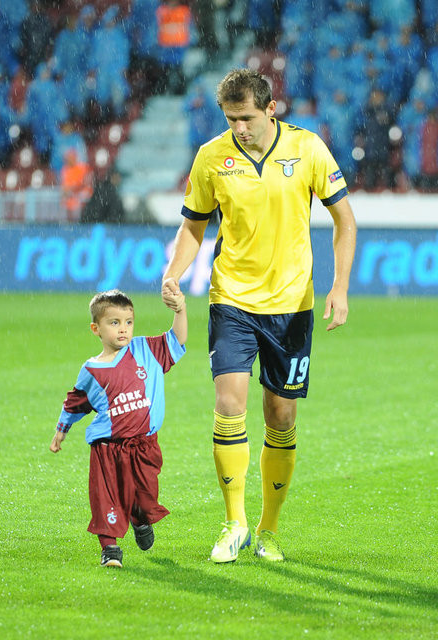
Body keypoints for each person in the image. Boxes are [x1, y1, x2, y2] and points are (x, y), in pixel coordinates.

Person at [161, 69, 356, 564]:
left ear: (271, 109)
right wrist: (175, 272)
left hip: (292, 305)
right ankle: (235, 522)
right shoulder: (211, 157)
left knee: (281, 414)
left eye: (246, 118)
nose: (239, 128)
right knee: (229, 403)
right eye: (231, 119)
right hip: (232, 299)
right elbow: (193, 227)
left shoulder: (308, 149)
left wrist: (339, 286)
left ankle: (269, 529)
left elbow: (344, 220)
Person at [50, 289, 187, 569]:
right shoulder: (91, 370)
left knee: (145, 499)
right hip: (107, 447)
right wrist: (61, 430)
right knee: (106, 496)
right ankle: (110, 548)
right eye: (114, 323)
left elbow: (177, 339)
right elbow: (75, 402)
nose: (123, 329)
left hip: (145, 445)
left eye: (128, 322)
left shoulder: (146, 350)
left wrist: (180, 310)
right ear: (96, 328)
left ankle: (140, 518)